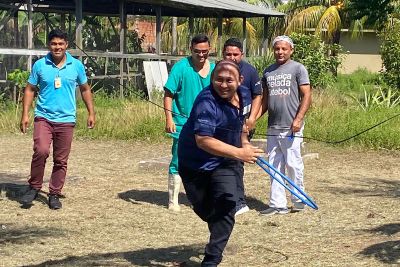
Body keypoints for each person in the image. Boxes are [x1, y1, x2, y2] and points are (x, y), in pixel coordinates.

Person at [178, 60, 264, 266]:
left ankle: (211, 259)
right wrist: (239, 152)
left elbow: (241, 124)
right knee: (208, 211)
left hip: (225, 161)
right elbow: (203, 140)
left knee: (226, 205)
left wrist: (243, 144)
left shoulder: (243, 95)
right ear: (212, 79)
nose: (223, 85)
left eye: (229, 80)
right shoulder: (206, 102)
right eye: (219, 79)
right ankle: (217, 229)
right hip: (194, 164)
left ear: (240, 80)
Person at [20, 29, 95, 210]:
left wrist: (91, 112)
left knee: (61, 159)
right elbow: (30, 89)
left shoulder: (76, 66)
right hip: (43, 117)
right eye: (54, 44)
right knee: (41, 150)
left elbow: (85, 89)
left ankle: (54, 193)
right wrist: (25, 114)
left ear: (66, 45)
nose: (57, 47)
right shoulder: (40, 65)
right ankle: (34, 187)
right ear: (49, 45)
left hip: (66, 119)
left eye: (61, 44)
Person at [258, 35, 312, 216]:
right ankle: (277, 204)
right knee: (275, 164)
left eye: (284, 49)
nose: (280, 52)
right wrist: (253, 119)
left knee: (293, 163)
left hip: (291, 127)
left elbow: (306, 95)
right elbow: (265, 101)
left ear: (291, 50)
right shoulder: (268, 72)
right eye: (277, 49)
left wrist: (298, 119)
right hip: (273, 127)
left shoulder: (298, 69)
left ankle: (298, 200)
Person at [163, 34, 215, 211]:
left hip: (207, 126)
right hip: (182, 123)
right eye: (197, 51)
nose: (201, 55)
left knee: (204, 161)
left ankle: (198, 197)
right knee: (179, 160)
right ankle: (173, 200)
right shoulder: (181, 67)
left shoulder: (215, 69)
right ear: (191, 50)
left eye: (205, 51)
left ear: (210, 50)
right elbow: (168, 94)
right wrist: (169, 118)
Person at [222, 37, 262, 216]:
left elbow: (258, 96)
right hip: (222, 127)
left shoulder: (250, 71)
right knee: (222, 162)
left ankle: (239, 201)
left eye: (235, 54)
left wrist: (252, 118)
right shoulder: (219, 70)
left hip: (243, 127)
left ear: (242, 55)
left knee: (236, 162)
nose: (231, 57)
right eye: (228, 54)